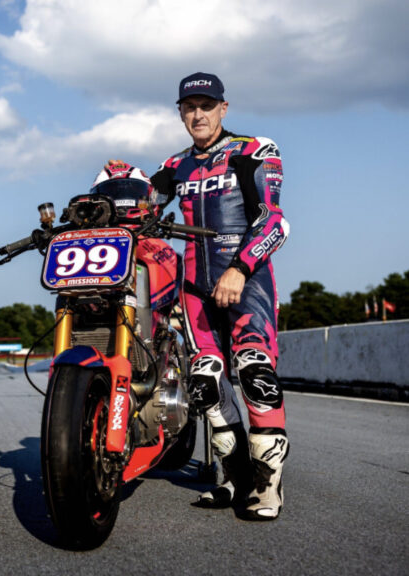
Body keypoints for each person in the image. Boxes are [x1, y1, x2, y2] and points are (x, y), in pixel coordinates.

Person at [144, 72, 289, 520]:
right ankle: (235, 478)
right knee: (205, 383)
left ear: (223, 109)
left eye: (207, 106)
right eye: (189, 107)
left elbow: (274, 222)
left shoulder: (254, 150)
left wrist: (239, 269)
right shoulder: (175, 165)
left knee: (255, 373)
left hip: (247, 280)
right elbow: (142, 209)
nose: (198, 115)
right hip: (195, 287)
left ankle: (267, 489)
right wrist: (118, 180)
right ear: (180, 113)